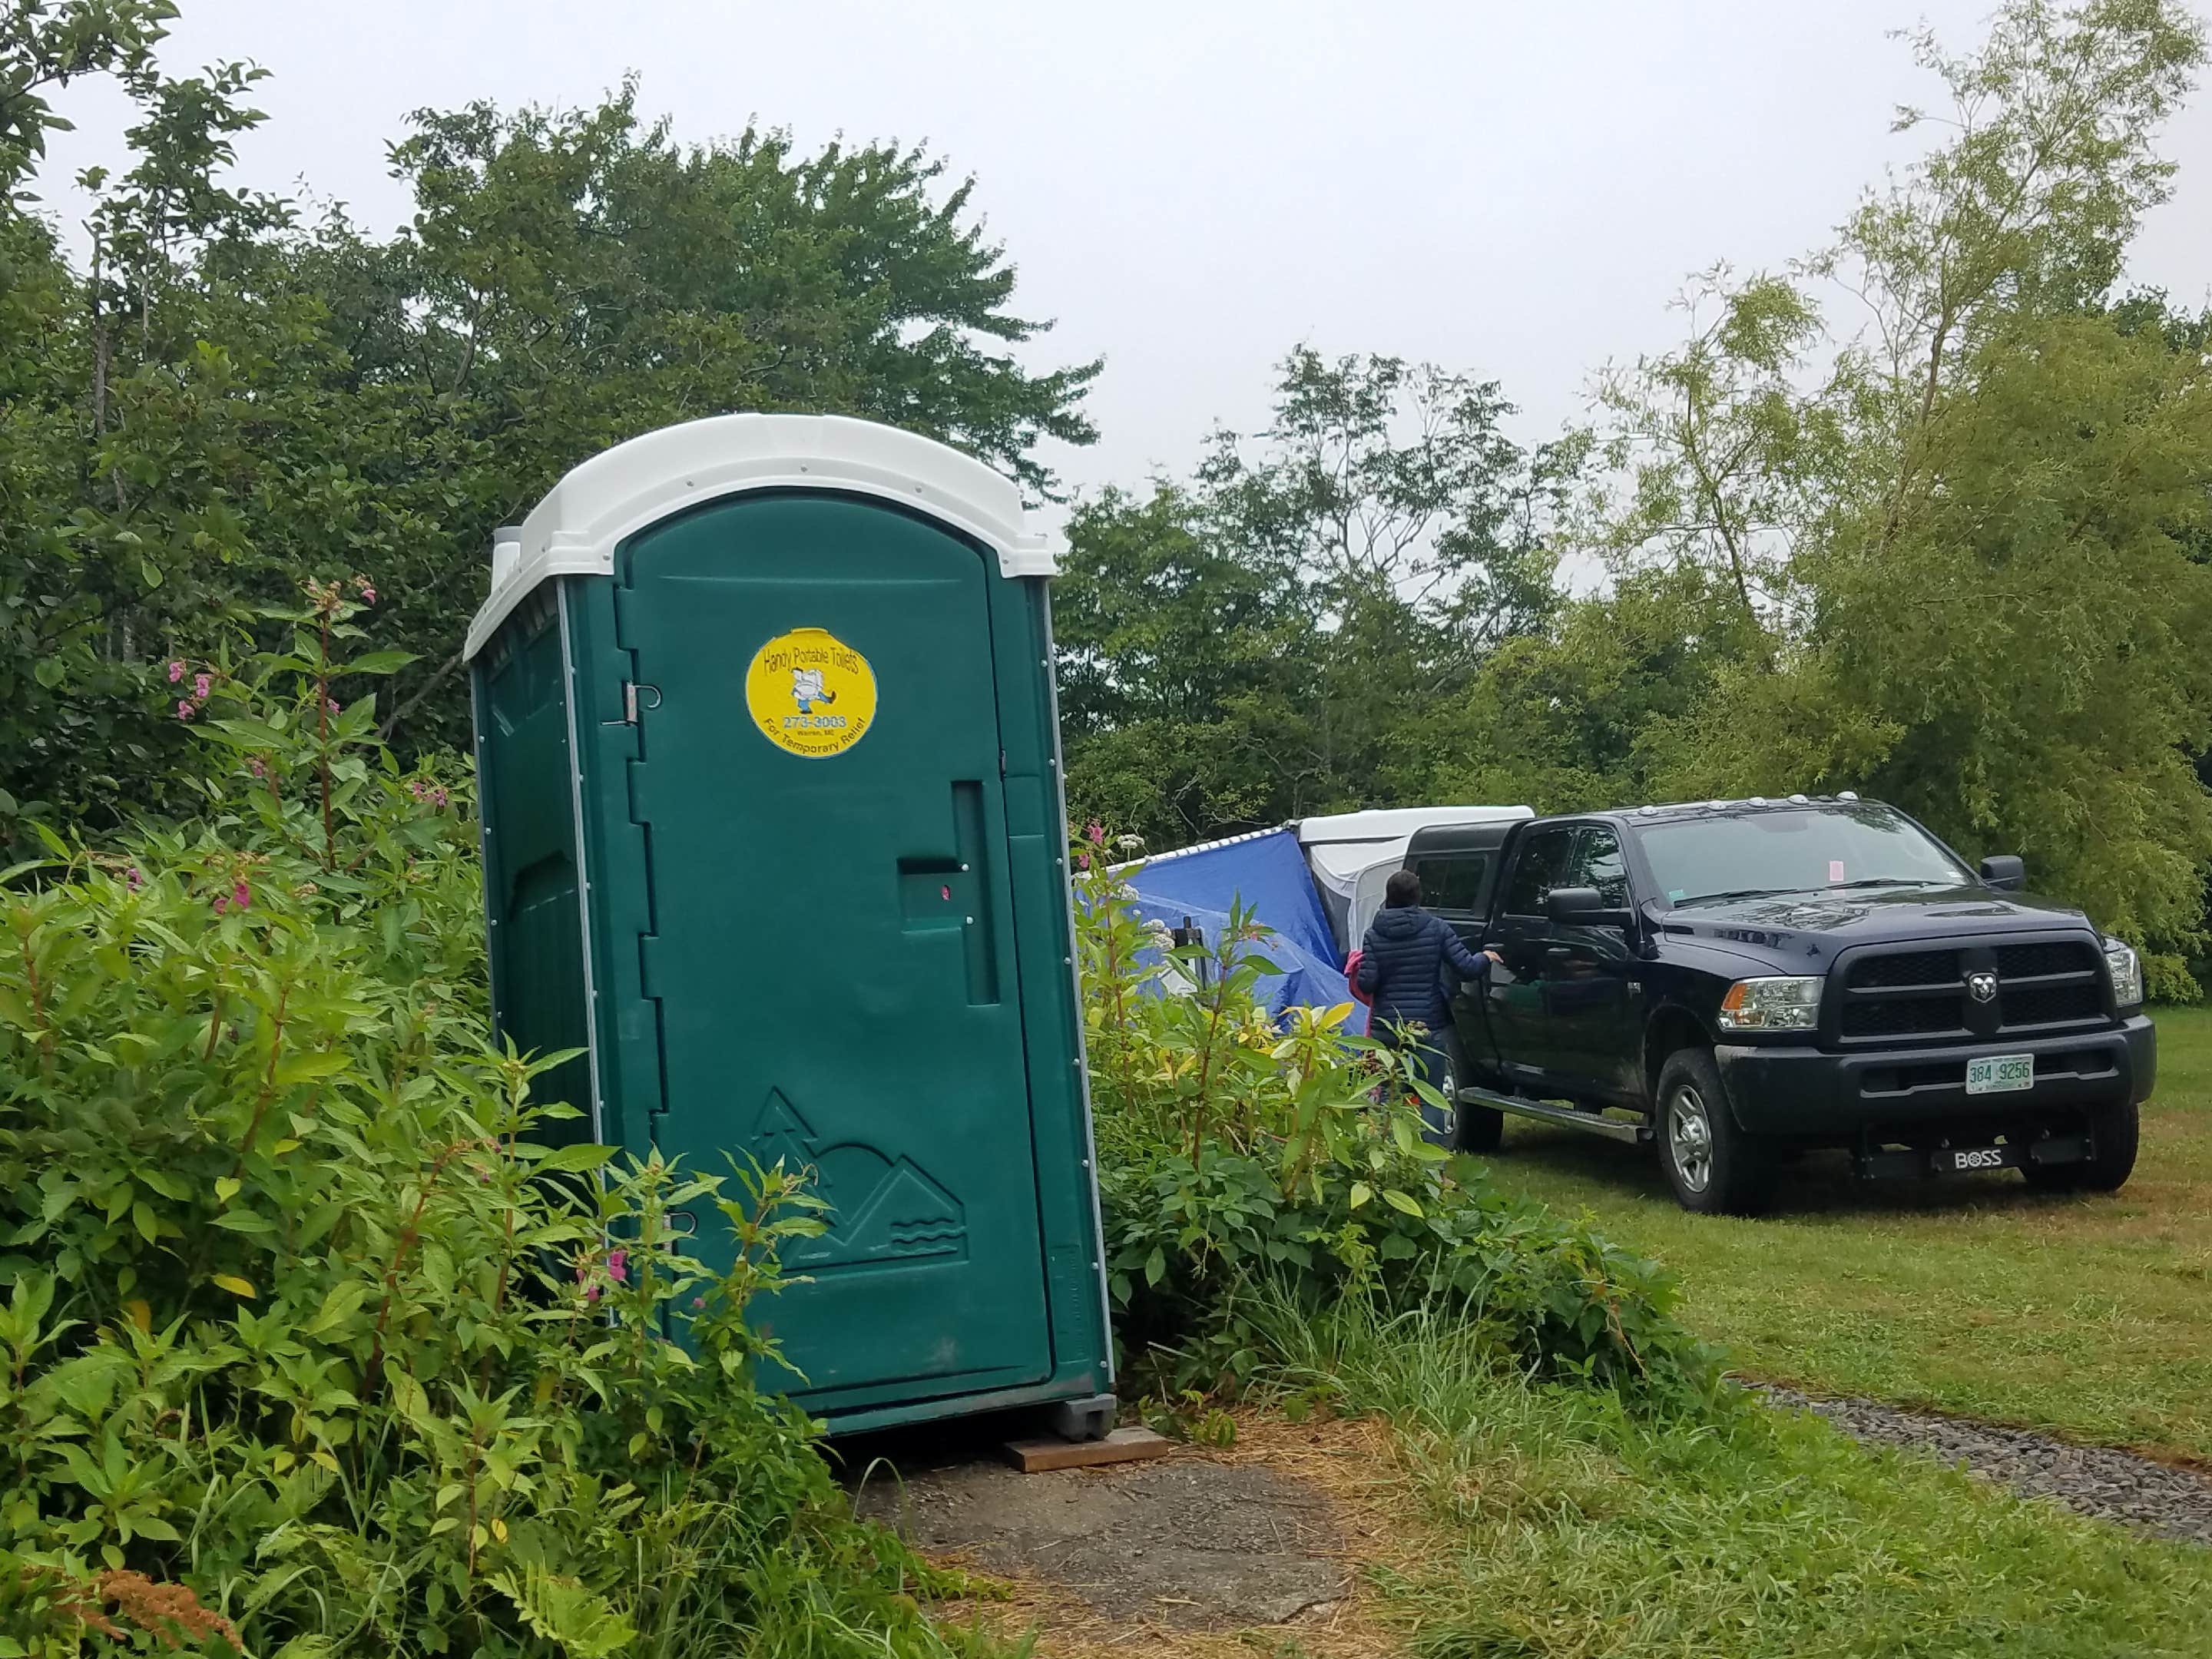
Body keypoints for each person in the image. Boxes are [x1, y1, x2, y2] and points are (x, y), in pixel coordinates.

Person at [1355, 869, 1502, 1144]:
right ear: (1418, 897)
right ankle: (1431, 1169)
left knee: (1386, 1092)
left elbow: (1368, 983)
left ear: (1388, 898)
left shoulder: (1373, 934)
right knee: (1431, 1095)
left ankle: (1384, 1157)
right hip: (1427, 1025)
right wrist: (1486, 957)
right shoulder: (1436, 928)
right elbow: (1466, 968)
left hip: (1387, 1028)